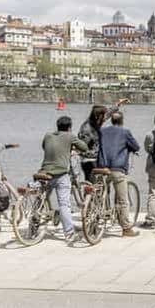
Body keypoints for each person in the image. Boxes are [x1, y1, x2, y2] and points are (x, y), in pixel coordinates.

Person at [39, 116, 88, 244]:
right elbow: (84, 147)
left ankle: (33, 228)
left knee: (41, 199)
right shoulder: (70, 136)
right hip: (60, 174)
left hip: (44, 172)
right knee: (64, 204)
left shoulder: (48, 135)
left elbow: (45, 147)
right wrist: (71, 147)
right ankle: (69, 234)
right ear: (69, 127)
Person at [97, 111, 141, 237]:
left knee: (100, 195)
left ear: (111, 121)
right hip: (117, 168)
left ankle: (97, 220)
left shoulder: (102, 131)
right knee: (123, 200)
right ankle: (126, 228)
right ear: (122, 121)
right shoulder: (125, 132)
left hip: (102, 168)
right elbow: (136, 146)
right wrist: (130, 149)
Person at [77, 99, 128, 181]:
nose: (105, 117)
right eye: (104, 116)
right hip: (89, 161)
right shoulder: (87, 129)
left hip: (96, 158)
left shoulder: (95, 122)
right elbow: (82, 146)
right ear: (99, 116)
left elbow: (108, 113)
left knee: (100, 183)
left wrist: (118, 104)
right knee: (93, 183)